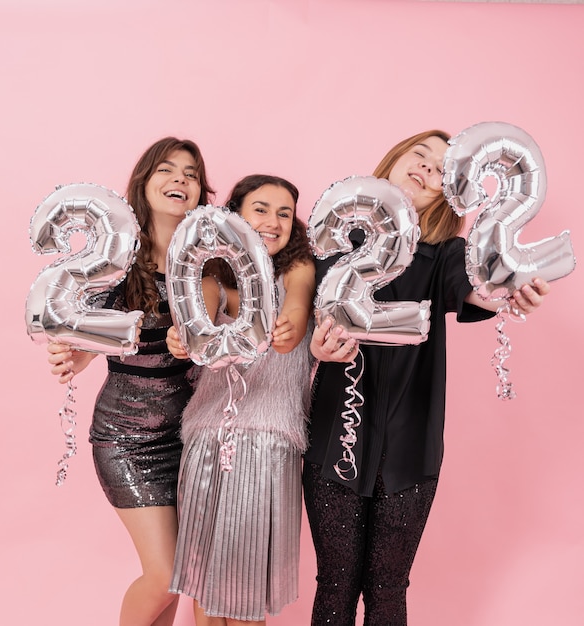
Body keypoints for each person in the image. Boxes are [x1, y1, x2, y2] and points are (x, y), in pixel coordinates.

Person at [302, 130, 551, 626]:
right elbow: (303, 320)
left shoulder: (445, 254)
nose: (426, 170)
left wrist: (512, 289)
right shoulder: (332, 237)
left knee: (388, 589)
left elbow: (476, 288)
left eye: (441, 170)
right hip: (335, 444)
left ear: (449, 190)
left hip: (412, 453)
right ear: (394, 158)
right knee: (335, 584)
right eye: (420, 156)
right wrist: (317, 348)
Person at [46, 137, 214, 626]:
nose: (179, 179)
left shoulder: (211, 263)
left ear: (201, 193)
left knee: (183, 577)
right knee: (164, 575)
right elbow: (82, 345)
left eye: (191, 173)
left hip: (191, 435)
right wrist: (68, 357)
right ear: (143, 183)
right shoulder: (114, 263)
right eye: (167, 169)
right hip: (127, 437)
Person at [166, 174, 316, 625]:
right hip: (209, 437)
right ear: (234, 216)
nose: (273, 221)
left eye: (284, 213)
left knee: (249, 584)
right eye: (261, 209)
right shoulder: (211, 274)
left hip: (271, 441)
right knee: (203, 574)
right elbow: (197, 322)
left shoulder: (298, 269)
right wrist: (183, 336)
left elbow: (294, 316)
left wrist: (289, 322)